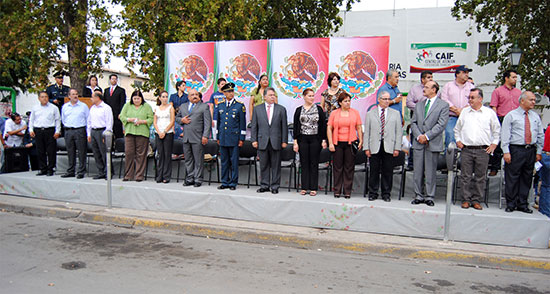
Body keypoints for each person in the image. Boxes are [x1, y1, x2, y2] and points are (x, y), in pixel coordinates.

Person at [454, 88, 501, 210]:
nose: (470, 100)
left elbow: (497, 130)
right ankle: (465, 199)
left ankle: (476, 200)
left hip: (483, 150)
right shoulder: (464, 112)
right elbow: (457, 129)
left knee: (480, 176)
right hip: (467, 149)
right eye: (469, 97)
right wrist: (458, 140)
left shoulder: (489, 113)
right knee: (465, 176)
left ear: (480, 99)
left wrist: (494, 144)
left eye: (472, 97)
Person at [501, 91, 544, 213]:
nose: (534, 102)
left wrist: (539, 151)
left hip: (530, 149)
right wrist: (506, 151)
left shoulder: (535, 116)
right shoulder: (511, 115)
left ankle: (522, 203)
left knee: (526, 177)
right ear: (522, 101)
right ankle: (511, 203)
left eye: (534, 100)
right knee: (512, 177)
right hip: (516, 149)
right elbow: (505, 135)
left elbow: (540, 134)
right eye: (531, 100)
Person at [411, 81, 449, 206]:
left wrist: (427, 136)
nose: (424, 89)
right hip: (418, 142)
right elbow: (413, 122)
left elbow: (441, 124)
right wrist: (419, 136)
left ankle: (429, 196)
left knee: (430, 171)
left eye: (427, 87)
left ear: (434, 90)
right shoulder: (419, 105)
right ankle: (418, 195)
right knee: (417, 170)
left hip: (432, 142)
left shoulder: (443, 105)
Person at [364, 91, 402, 202]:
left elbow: (398, 132)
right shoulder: (370, 114)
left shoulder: (395, 113)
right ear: (379, 100)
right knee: (374, 170)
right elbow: (367, 132)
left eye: (388, 99)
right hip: (374, 145)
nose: (387, 101)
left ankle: (386, 193)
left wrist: (397, 147)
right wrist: (367, 147)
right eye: (384, 99)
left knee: (387, 170)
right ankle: (373, 192)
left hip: (389, 145)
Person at [251, 87, 288, 194]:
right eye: (271, 95)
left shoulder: (281, 109)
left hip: (276, 141)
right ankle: (264, 185)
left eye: (274, 95)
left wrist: (284, 140)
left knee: (276, 165)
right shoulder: (257, 109)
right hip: (262, 140)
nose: (273, 97)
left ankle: (275, 186)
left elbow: (284, 126)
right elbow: (254, 126)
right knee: (263, 164)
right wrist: (254, 139)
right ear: (265, 96)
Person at [327, 91, 363, 199]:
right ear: (340, 102)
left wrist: (361, 140)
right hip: (337, 143)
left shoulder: (355, 113)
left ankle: (347, 191)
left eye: (349, 101)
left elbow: (359, 127)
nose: (348, 103)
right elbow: (329, 128)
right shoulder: (334, 113)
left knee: (349, 167)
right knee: (337, 167)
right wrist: (330, 143)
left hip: (350, 143)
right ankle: (337, 190)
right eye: (345, 101)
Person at [293, 88, 327, 196]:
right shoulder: (299, 110)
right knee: (304, 163)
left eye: (313, 96)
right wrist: (295, 142)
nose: (312, 98)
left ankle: (313, 187)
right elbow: (295, 126)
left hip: (315, 139)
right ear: (304, 97)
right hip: (302, 139)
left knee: (313, 163)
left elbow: (322, 125)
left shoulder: (319, 109)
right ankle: (304, 187)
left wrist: (323, 140)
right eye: (309, 96)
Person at [488, 70, 522, 176]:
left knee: (513, 141)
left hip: (515, 119)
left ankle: (513, 165)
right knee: (498, 142)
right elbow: (494, 106)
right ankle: (495, 167)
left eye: (516, 77)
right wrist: (495, 121)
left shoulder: (518, 92)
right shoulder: (497, 91)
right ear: (506, 78)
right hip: (502, 118)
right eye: (513, 77)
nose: (515, 79)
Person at [176, 89, 212, 187]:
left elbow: (207, 123)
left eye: (196, 94)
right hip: (186, 137)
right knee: (188, 159)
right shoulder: (183, 106)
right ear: (188, 97)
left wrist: (205, 136)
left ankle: (198, 179)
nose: (194, 96)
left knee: (198, 160)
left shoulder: (204, 107)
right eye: (192, 95)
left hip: (198, 137)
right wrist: (182, 120)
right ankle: (190, 178)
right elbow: (177, 118)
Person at [215, 82, 246, 190]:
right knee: (224, 161)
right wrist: (217, 137)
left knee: (234, 162)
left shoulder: (239, 106)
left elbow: (242, 124)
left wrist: (242, 138)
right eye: (228, 92)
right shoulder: (220, 105)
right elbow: (218, 123)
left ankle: (233, 183)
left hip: (234, 138)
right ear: (224, 93)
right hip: (223, 138)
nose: (231, 93)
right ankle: (224, 182)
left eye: (232, 91)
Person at [119, 90, 154, 182]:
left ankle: (139, 175)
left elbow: (151, 119)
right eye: (134, 98)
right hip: (130, 132)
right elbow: (121, 116)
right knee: (129, 153)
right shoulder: (127, 105)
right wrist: (129, 119)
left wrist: (142, 121)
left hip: (142, 133)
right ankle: (128, 175)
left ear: (141, 98)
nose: (136, 100)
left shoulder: (147, 106)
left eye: (138, 98)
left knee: (141, 154)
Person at [440, 65, 474, 147]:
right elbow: (444, 99)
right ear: (457, 74)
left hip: (467, 117)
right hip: (451, 116)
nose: (467, 75)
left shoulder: (471, 87)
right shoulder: (448, 86)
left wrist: (463, 111)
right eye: (464, 72)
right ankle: (450, 158)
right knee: (450, 134)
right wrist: (456, 110)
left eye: (467, 73)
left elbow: (473, 101)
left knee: (466, 137)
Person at [29, 91, 61, 176]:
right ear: (39, 98)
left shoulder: (54, 108)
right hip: (38, 130)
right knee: (40, 151)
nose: (44, 98)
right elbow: (31, 120)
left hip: (50, 131)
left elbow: (58, 120)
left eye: (46, 97)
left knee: (51, 151)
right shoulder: (35, 108)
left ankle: (50, 169)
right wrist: (31, 130)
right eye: (42, 97)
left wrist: (57, 131)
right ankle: (43, 168)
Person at [61, 89, 89, 179]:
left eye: (76, 94)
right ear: (69, 96)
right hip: (68, 130)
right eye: (73, 94)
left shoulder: (83, 106)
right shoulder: (65, 107)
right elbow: (63, 119)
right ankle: (71, 170)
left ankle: (81, 171)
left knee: (81, 151)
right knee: (70, 151)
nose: (75, 96)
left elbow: (88, 119)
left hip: (80, 130)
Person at [87, 91, 113, 180]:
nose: (91, 99)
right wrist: (89, 134)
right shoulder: (92, 108)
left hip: (102, 131)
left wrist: (106, 135)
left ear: (97, 98)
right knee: (96, 152)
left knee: (104, 153)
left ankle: (108, 172)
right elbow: (89, 122)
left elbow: (109, 122)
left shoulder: (106, 108)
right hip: (94, 131)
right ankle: (100, 171)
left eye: (92, 97)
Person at [153, 90, 175, 183]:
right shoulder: (156, 108)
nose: (165, 98)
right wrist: (159, 132)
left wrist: (165, 131)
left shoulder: (170, 108)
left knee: (167, 154)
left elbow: (172, 120)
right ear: (159, 98)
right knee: (160, 154)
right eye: (163, 97)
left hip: (168, 133)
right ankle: (159, 175)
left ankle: (166, 176)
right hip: (158, 133)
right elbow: (155, 122)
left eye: (166, 97)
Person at [103, 74, 127, 139]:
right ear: (110, 80)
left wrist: (121, 113)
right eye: (112, 79)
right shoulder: (106, 90)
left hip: (117, 114)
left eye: (115, 79)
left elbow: (122, 103)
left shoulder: (121, 90)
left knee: (117, 131)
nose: (114, 80)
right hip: (108, 114)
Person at [538, 126, 550, 218]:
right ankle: (546, 213)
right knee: (547, 186)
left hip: (546, 155)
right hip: (547, 156)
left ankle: (544, 212)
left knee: (546, 186)